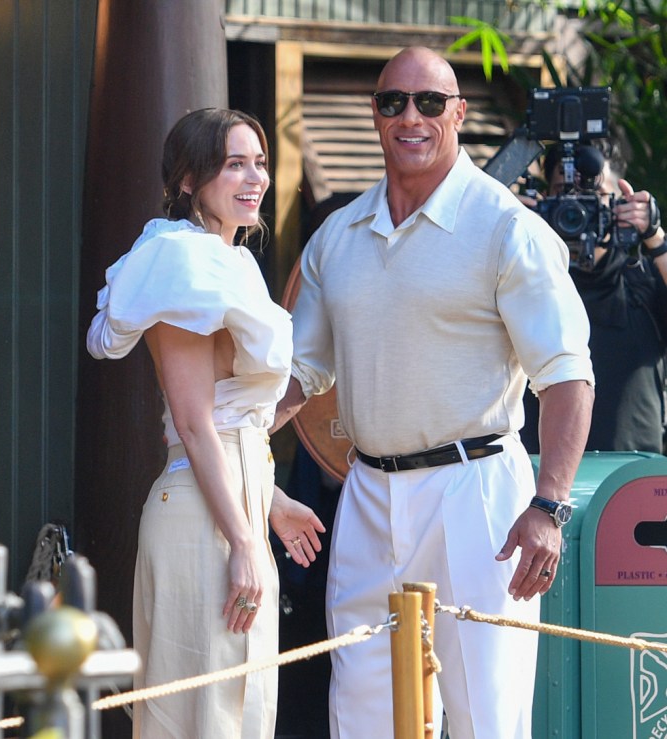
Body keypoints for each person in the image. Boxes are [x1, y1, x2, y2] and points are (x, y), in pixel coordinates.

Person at [271, 47, 595, 739]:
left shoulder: (508, 228)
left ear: (459, 112)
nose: (409, 117)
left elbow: (567, 374)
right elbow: (299, 374)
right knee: (362, 712)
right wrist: (211, 435)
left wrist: (548, 504)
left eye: (428, 102)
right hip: (366, 492)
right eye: (393, 102)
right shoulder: (338, 236)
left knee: (487, 715)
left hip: (478, 492)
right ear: (375, 114)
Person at [86, 108, 325, 739]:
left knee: (242, 710)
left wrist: (267, 501)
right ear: (189, 180)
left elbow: (229, 420)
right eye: (234, 164)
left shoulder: (230, 260)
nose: (255, 179)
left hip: (232, 505)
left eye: (260, 162)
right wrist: (245, 541)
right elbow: (194, 425)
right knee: (202, 715)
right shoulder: (179, 262)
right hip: (202, 518)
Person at [519, 140, 667, 454]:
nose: (579, 207)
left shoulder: (644, 274)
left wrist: (655, 237)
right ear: (544, 200)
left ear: (621, 203)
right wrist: (504, 225)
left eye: (595, 195)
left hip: (631, 482)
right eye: (564, 193)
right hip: (538, 483)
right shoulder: (521, 279)